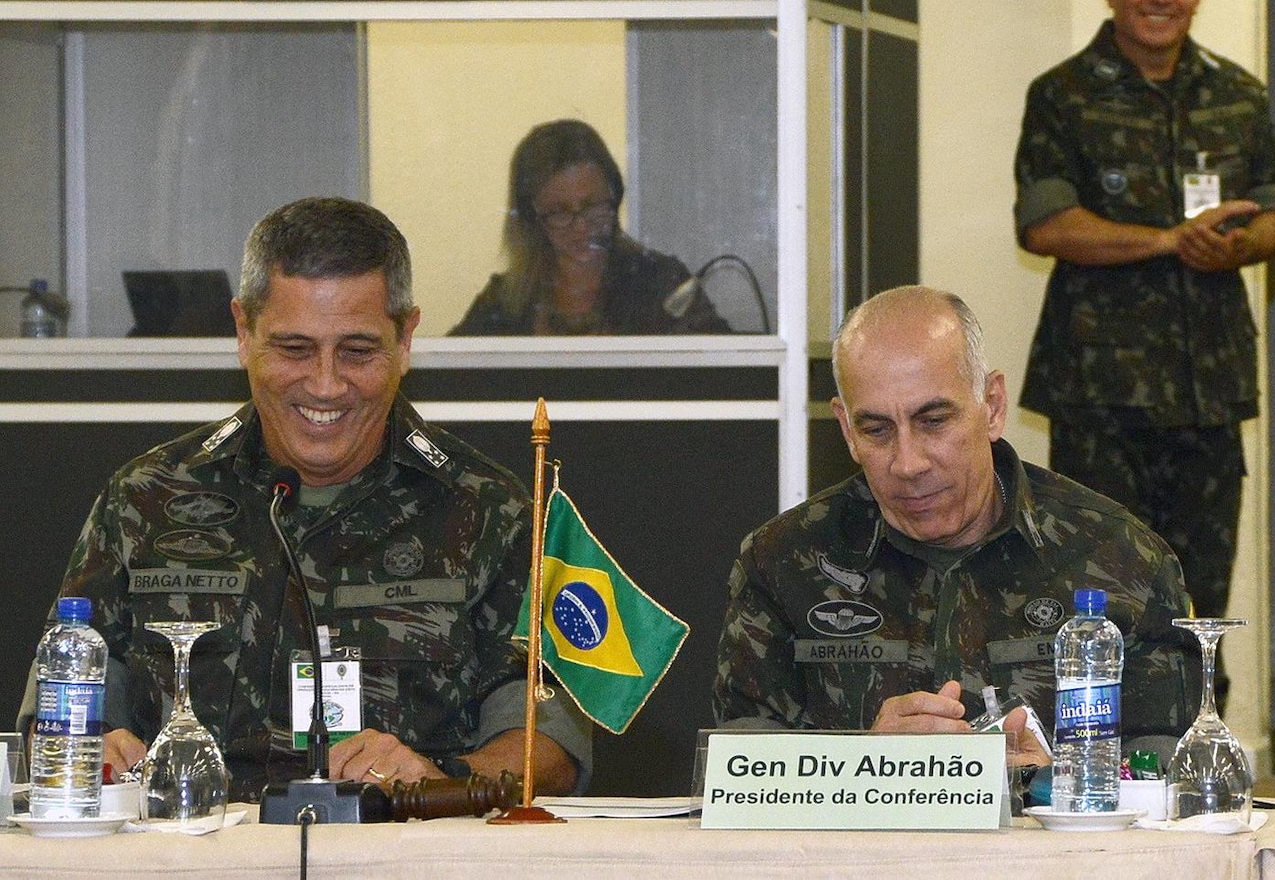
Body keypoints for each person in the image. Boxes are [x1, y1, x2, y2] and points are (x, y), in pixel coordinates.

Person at [20, 197, 590, 801]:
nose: (325, 384)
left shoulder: (491, 512)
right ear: (243, 333)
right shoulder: (145, 500)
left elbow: (551, 746)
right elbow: (56, 712)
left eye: (358, 351)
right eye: (294, 349)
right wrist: (94, 746)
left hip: (399, 857)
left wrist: (439, 779)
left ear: (406, 338)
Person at [712, 286, 1199, 760]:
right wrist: (861, 765)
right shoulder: (785, 561)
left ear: (992, 405)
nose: (908, 463)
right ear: (846, 430)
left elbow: (1170, 764)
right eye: (876, 430)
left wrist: (1054, 781)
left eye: (934, 421)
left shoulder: (1119, 556)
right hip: (861, 843)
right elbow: (739, 766)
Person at [1015, 0, 1275, 619]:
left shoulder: (1237, 94)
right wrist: (1170, 240)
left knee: (1201, 607)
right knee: (1100, 604)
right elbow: (1046, 223)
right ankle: (1105, 735)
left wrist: (1239, 246)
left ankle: (1202, 727)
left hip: (1209, 395)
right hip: (1099, 403)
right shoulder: (1062, 94)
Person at [450, 119, 731, 335]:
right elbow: (448, 383)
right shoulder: (503, 305)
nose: (581, 227)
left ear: (614, 197)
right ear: (531, 220)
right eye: (559, 213)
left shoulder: (661, 285)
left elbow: (727, 377)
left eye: (594, 206)